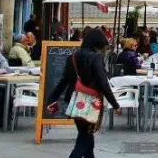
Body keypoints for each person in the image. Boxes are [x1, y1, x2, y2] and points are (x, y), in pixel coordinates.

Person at [46, 28, 120, 158]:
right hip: (90, 102)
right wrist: (115, 105)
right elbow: (103, 83)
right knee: (84, 137)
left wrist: (51, 99)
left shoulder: (72, 56)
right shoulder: (96, 57)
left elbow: (64, 81)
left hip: (74, 101)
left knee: (86, 135)